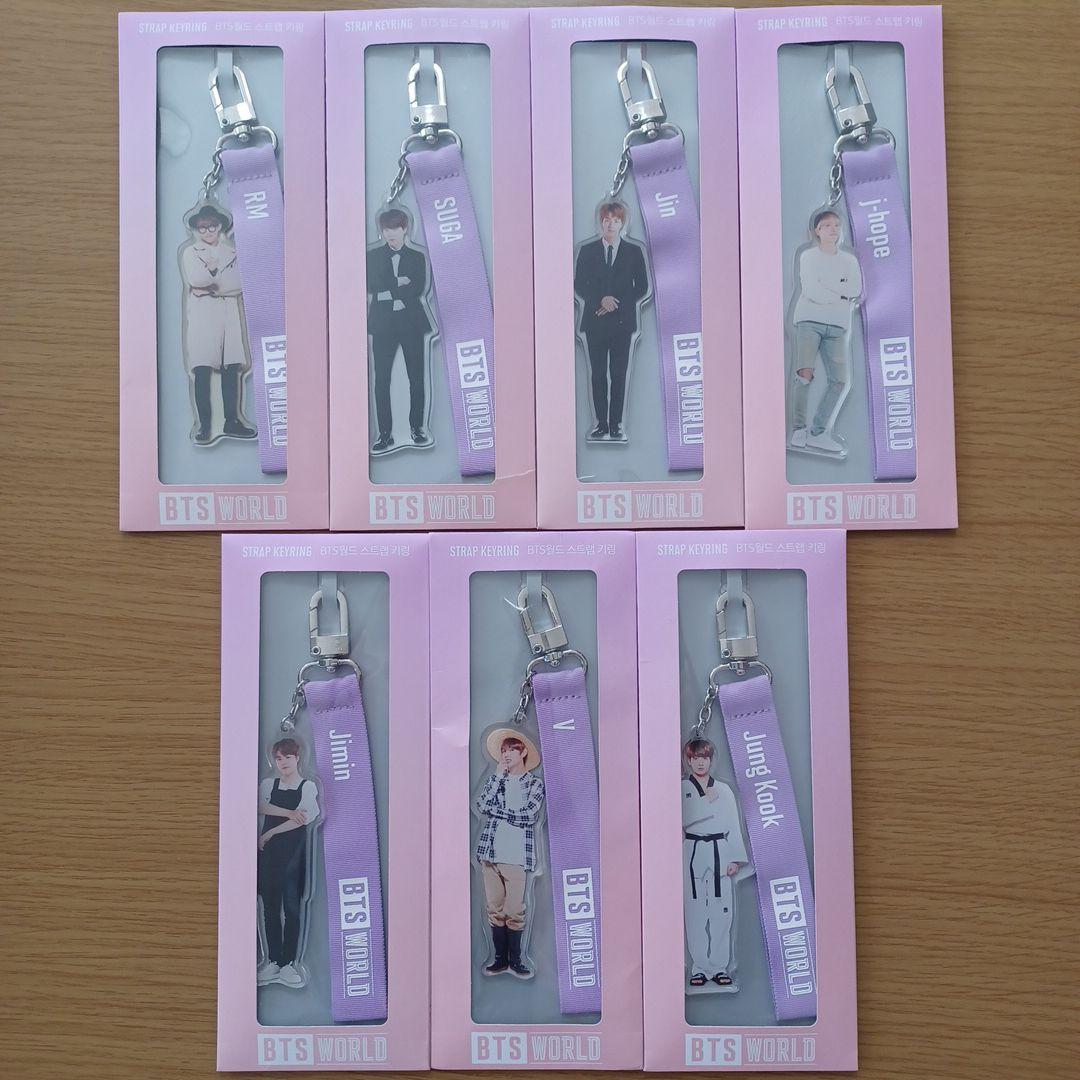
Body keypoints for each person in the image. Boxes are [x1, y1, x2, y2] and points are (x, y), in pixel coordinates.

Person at [179, 203, 257, 445]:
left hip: (228, 316)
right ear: (196, 229)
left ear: (221, 226)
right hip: (203, 318)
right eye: (203, 228)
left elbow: (239, 283)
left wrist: (211, 286)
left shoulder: (232, 252)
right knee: (202, 369)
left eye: (212, 226)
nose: (208, 231)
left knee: (231, 368)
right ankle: (205, 427)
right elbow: (196, 278)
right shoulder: (191, 253)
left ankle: (231, 422)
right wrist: (212, 278)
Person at [574, 201, 649, 442]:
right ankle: (601, 424)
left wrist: (615, 302)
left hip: (622, 324)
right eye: (607, 220)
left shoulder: (634, 252)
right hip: (594, 323)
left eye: (616, 220)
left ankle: (616, 425)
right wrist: (600, 299)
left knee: (618, 374)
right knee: (597, 375)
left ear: (622, 223)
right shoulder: (587, 251)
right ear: (601, 222)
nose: (611, 224)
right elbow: (579, 284)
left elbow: (642, 287)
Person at [789, 209, 862, 453]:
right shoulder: (808, 257)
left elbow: (855, 290)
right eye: (827, 225)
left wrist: (830, 289)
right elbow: (811, 290)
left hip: (838, 325)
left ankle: (818, 433)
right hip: (809, 320)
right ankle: (799, 429)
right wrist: (839, 292)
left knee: (840, 380)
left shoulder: (849, 261)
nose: (833, 229)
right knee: (804, 374)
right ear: (816, 231)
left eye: (837, 225)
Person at [474, 729, 545, 979]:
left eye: (511, 750)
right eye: (503, 750)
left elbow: (529, 816)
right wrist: (496, 776)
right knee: (494, 909)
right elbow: (482, 804)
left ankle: (516, 960)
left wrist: (498, 812)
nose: (506, 755)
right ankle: (499, 960)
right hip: (490, 854)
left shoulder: (535, 784)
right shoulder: (497, 781)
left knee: (515, 910)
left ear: (523, 752)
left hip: (516, 857)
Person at [681, 738, 748, 989]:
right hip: (692, 851)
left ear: (711, 760)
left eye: (705, 758)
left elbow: (733, 824)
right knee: (695, 912)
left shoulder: (724, 790)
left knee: (722, 912)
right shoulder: (681, 789)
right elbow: (682, 821)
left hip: (720, 849)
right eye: (695, 758)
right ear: (689, 761)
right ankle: (699, 967)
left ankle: (719, 967)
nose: (700, 762)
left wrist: (735, 858)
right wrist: (706, 802)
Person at [366, 207, 432, 454]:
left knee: (416, 378)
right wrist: (398, 284)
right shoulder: (372, 256)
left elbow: (417, 289)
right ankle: (384, 434)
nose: (390, 234)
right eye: (386, 229)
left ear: (405, 229)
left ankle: (417, 428)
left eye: (395, 228)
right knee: (381, 380)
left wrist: (387, 292)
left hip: (411, 324)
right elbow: (371, 286)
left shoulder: (417, 257)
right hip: (382, 325)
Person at [257, 737, 320, 989]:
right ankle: (273, 961)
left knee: (292, 908)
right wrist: (287, 812)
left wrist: (270, 833)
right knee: (270, 908)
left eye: (288, 757)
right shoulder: (267, 784)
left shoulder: (308, 787)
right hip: (269, 856)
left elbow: (303, 818)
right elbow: (259, 806)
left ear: (297, 758)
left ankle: (289, 964)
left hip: (294, 855)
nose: (283, 762)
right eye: (278, 758)